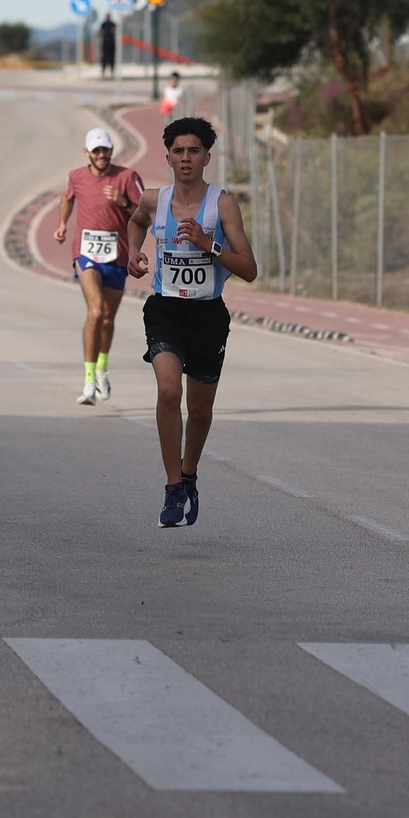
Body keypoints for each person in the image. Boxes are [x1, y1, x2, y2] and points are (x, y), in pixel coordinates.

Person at [126, 117, 257, 528]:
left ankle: (189, 473)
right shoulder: (153, 199)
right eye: (178, 151)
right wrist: (133, 253)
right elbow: (135, 223)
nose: (186, 158)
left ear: (206, 157)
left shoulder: (223, 205)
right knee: (168, 391)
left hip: (207, 315)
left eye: (194, 151)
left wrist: (209, 243)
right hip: (165, 309)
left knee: (199, 412)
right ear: (167, 157)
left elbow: (249, 269)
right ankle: (172, 487)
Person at [54, 128, 145, 405]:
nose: (102, 155)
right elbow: (67, 198)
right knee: (95, 311)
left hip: (117, 256)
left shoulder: (127, 177)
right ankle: (88, 379)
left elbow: (145, 214)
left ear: (111, 151)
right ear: (87, 154)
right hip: (86, 254)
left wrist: (124, 202)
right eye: (96, 151)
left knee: (107, 318)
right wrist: (61, 224)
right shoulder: (76, 177)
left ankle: (102, 369)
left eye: (105, 150)